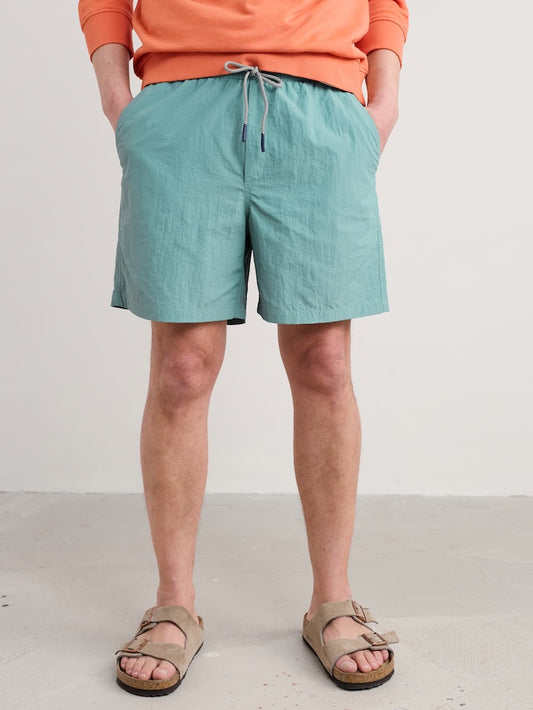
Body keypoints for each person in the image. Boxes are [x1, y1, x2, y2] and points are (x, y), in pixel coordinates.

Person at [78, 0, 409, 697]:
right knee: (181, 369)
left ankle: (333, 600)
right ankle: (173, 604)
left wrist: (383, 102)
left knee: (325, 363)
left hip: (321, 110)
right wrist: (117, 99)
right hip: (180, 113)